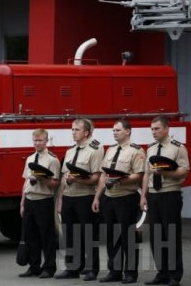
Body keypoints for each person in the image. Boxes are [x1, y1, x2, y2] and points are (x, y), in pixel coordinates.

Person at [92, 119, 145, 284]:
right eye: (113, 130)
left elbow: (139, 175)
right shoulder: (110, 150)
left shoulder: (136, 151)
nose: (114, 132)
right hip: (109, 199)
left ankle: (130, 273)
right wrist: (97, 197)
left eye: (118, 130)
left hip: (126, 198)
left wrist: (120, 181)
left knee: (128, 237)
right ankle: (114, 272)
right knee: (112, 237)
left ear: (128, 131)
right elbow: (103, 175)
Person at [140, 116, 189, 286]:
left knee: (171, 234)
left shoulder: (178, 148)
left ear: (167, 129)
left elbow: (184, 171)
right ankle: (162, 272)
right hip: (153, 195)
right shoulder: (151, 149)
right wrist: (143, 195)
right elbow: (147, 173)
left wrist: (166, 174)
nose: (153, 132)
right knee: (156, 235)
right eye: (152, 129)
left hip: (170, 194)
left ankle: (175, 275)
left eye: (157, 128)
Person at [55, 118, 103, 281]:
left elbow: (96, 177)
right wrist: (60, 199)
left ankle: (91, 269)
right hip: (69, 197)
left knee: (89, 235)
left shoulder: (94, 150)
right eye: (72, 129)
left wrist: (78, 180)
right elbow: (64, 177)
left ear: (86, 133)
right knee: (71, 235)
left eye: (76, 129)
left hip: (85, 197)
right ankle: (73, 268)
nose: (73, 132)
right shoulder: (70, 151)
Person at [18, 129, 61, 278]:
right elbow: (25, 181)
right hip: (30, 199)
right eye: (35, 141)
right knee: (31, 236)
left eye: (40, 140)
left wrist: (42, 178)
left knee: (46, 236)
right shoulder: (30, 158)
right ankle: (34, 265)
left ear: (46, 141)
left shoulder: (52, 160)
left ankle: (49, 267)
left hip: (43, 200)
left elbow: (55, 183)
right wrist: (22, 203)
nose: (37, 143)